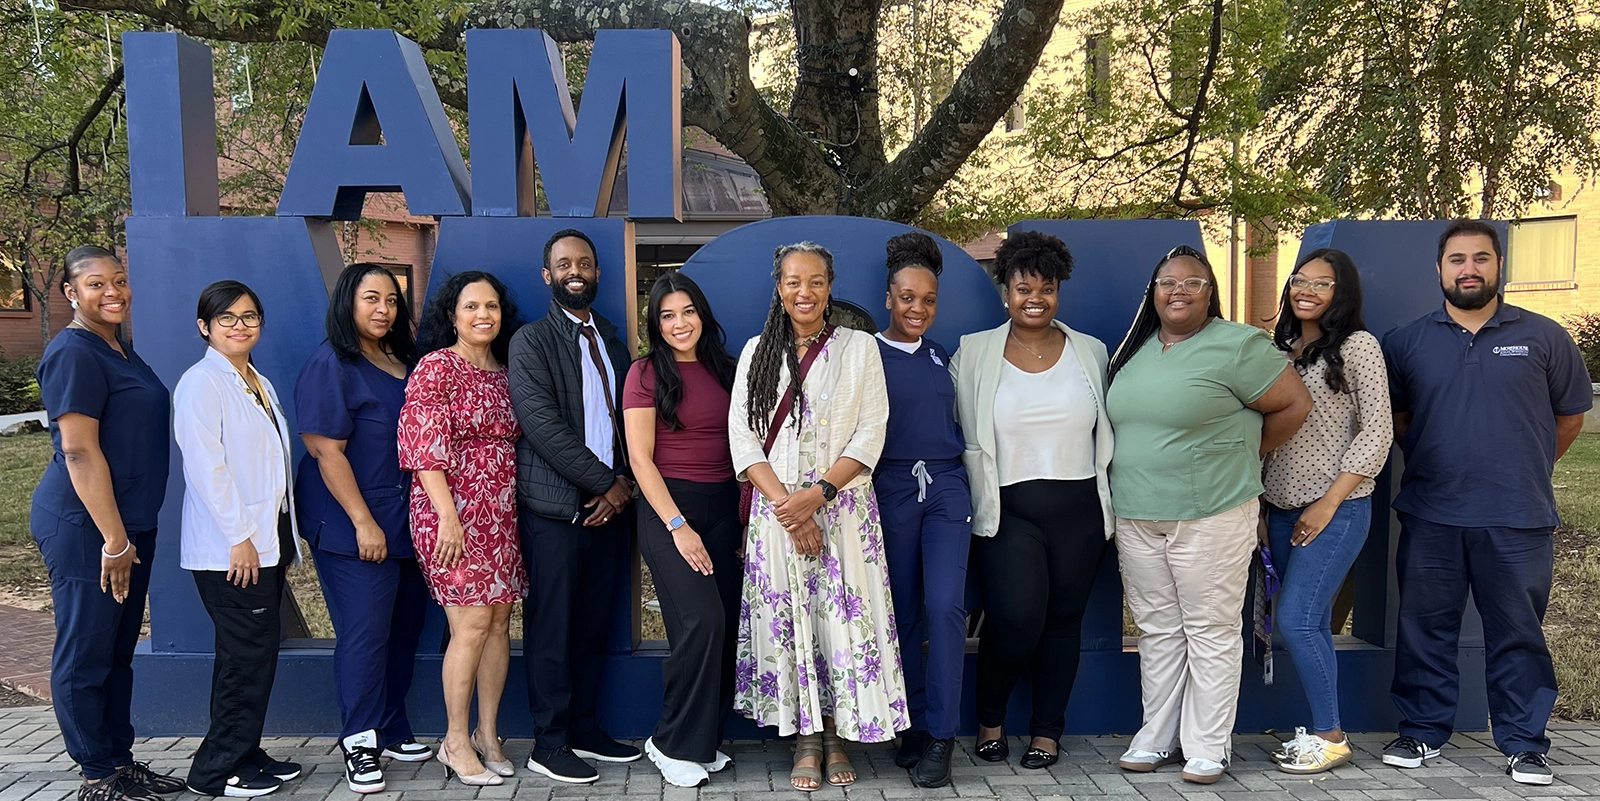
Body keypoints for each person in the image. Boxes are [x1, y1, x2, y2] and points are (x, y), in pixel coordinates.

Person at [1380, 220, 1592, 787]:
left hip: (1517, 514)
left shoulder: (1545, 337)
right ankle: (1422, 732)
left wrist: (1523, 465)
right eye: (1456, 259)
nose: (1468, 269)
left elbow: (1569, 417)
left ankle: (1525, 743)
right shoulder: (1406, 343)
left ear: (1498, 266)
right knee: (1425, 626)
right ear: (1440, 269)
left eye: (1480, 258)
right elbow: (1398, 421)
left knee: (1518, 631)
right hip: (1432, 512)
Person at [1106, 244, 1311, 784]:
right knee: (1158, 630)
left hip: (1212, 512)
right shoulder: (1137, 349)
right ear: (1153, 292)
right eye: (1167, 281)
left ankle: (1207, 746)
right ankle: (1157, 735)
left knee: (1211, 629)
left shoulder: (1238, 344)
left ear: (1210, 291)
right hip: (1137, 513)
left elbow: (1295, 405)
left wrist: (1241, 456)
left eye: (1192, 282)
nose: (1178, 291)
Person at [729, 241, 907, 792]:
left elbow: (871, 430)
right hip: (778, 514)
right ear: (778, 288)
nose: (803, 292)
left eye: (815, 281)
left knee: (838, 625)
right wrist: (790, 505)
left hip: (845, 511)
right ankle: (805, 740)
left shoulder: (859, 349)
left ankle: (836, 737)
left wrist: (819, 494)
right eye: (792, 282)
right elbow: (742, 438)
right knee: (793, 623)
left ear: (830, 286)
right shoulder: (757, 351)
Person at [950, 231, 1113, 774]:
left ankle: (1047, 732)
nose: (1035, 298)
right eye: (1024, 288)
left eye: (1047, 288)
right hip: (1008, 509)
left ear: (1059, 291)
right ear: (1005, 292)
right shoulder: (974, 351)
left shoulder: (1091, 351)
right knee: (1016, 619)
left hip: (1080, 508)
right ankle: (990, 721)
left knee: (1064, 623)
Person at [30, 246, 186, 801]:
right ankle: (97, 772)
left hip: (128, 526)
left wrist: (128, 534)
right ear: (71, 293)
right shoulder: (73, 352)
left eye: (119, 280)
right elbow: (77, 451)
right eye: (96, 284)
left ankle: (120, 761)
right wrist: (114, 540)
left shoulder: (118, 347)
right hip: (86, 527)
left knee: (118, 650)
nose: (113, 291)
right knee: (86, 649)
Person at [507, 229, 640, 784]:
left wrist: (625, 484)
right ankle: (550, 741)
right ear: (548, 275)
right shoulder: (530, 341)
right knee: (553, 628)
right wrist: (605, 483)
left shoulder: (611, 339)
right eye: (564, 264)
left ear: (598, 273)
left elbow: (636, 419)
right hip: (557, 510)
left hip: (611, 509)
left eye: (584, 262)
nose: (575, 270)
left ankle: (583, 726)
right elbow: (543, 428)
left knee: (591, 625)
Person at [294, 263, 432, 794]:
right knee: (365, 633)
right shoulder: (332, 363)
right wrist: (362, 523)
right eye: (371, 298)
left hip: (409, 520)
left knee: (404, 629)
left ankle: (391, 725)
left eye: (392, 300)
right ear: (347, 302)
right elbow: (325, 452)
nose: (383, 309)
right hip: (355, 525)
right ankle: (358, 741)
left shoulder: (403, 360)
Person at [1260, 249, 1392, 774]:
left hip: (1336, 509)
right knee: (1301, 621)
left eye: (1323, 283)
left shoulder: (1359, 347)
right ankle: (1319, 730)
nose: (1307, 289)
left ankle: (1332, 737)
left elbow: (1377, 429)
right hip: (1279, 508)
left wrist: (1329, 501)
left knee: (1296, 619)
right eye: (1300, 280)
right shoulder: (1280, 349)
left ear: (1343, 292)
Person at [173, 281, 304, 798]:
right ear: (205, 326)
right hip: (232, 548)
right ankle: (216, 769)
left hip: (264, 538)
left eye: (249, 316)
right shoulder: (201, 383)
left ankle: (244, 750)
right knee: (243, 657)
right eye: (226, 318)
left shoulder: (256, 380)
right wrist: (240, 537)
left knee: (255, 652)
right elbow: (207, 469)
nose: (240, 326)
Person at [397, 271, 525, 787]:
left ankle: (487, 734)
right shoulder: (437, 368)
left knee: (498, 624)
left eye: (491, 306)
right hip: (449, 511)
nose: (482, 316)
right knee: (469, 626)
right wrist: (447, 516)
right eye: (470, 306)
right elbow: (421, 447)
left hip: (500, 513)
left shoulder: (504, 369)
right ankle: (453, 739)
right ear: (452, 315)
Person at [622, 272, 740, 788]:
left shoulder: (727, 369)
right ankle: (669, 742)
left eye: (687, 311)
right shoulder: (644, 373)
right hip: (668, 507)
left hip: (726, 507)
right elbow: (640, 461)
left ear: (702, 314)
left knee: (727, 628)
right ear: (656, 324)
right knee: (702, 621)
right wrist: (677, 526)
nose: (679, 323)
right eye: (667, 315)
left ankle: (701, 740)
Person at [874, 233, 971, 788]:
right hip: (888, 486)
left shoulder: (942, 355)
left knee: (944, 606)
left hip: (945, 488)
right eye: (908, 297)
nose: (918, 308)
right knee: (902, 611)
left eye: (928, 300)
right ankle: (907, 723)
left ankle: (941, 735)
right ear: (889, 297)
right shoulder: (866, 352)